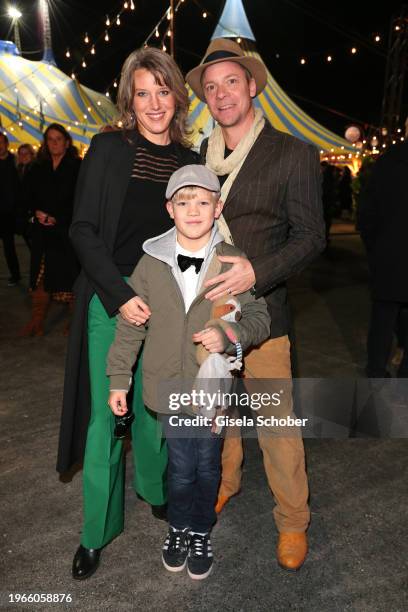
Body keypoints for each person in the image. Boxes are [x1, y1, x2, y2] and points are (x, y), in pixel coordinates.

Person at [56, 47, 198, 580]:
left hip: (167, 306)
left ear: (177, 96)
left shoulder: (192, 161)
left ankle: (157, 491)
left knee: (154, 408)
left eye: (163, 91)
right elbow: (82, 231)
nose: (155, 103)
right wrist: (120, 296)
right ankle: (95, 532)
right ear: (129, 99)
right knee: (107, 419)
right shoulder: (110, 148)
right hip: (111, 301)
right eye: (143, 93)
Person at [186, 38, 326, 571]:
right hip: (208, 315)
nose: (221, 94)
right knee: (214, 412)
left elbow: (312, 236)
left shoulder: (292, 152)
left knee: (276, 425)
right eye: (212, 86)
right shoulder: (200, 155)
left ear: (251, 87)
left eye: (231, 82)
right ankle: (225, 483)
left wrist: (256, 272)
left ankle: (293, 521)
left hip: (264, 313)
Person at [107, 165, 271, 580]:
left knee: (208, 464)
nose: (193, 210)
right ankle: (179, 527)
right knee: (181, 465)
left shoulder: (232, 260)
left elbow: (258, 317)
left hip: (211, 385)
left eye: (203, 201)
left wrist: (229, 333)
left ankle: (201, 529)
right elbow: (130, 324)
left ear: (219, 208)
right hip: (169, 384)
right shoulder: (149, 262)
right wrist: (118, 378)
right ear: (169, 208)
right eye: (184, 202)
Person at [20, 124, 81, 337]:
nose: (54, 143)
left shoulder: (77, 167)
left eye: (58, 139)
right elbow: (26, 196)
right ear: (46, 143)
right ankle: (37, 321)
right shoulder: (39, 168)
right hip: (42, 234)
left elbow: (80, 201)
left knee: (70, 279)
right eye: (50, 139)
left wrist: (58, 218)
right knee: (39, 278)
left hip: (66, 234)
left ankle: (75, 322)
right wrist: (36, 213)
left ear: (66, 142)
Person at [358, 141, 408, 378]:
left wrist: (375, 248)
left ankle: (376, 369)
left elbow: (367, 210)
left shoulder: (386, 161)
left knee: (383, 317)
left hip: (388, 255)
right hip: (390, 252)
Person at [0, 132, 21, 286]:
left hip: (9, 212)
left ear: (6, 144)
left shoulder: (14, 162)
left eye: (1, 142)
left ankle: (16, 275)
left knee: (9, 246)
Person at [16, 143, 36, 251]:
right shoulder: (19, 169)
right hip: (23, 212)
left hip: (31, 212)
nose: (23, 156)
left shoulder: (35, 169)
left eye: (26, 153)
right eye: (21, 153)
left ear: (32, 155)